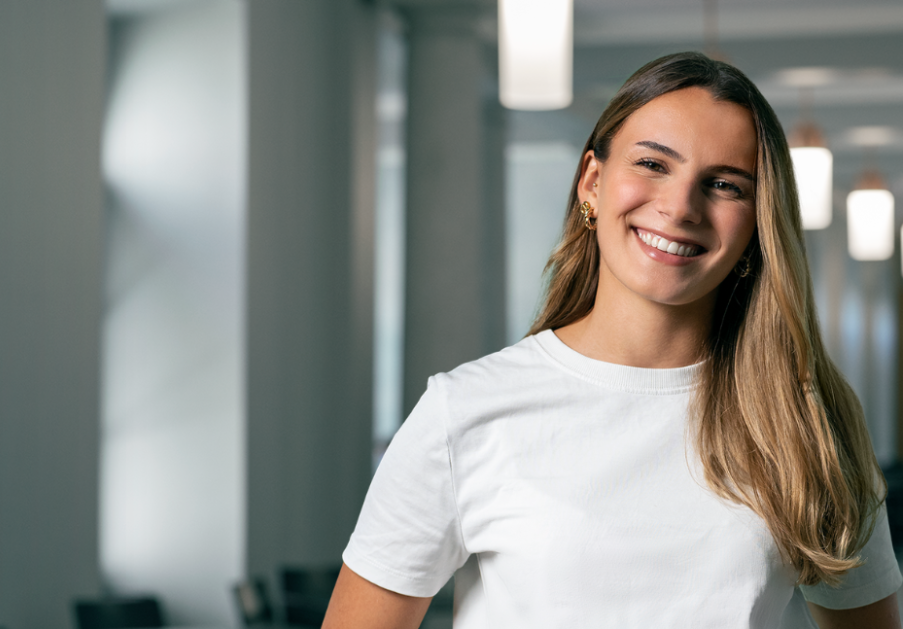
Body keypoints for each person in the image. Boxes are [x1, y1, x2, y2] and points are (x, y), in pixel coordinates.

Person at [322, 52, 903, 629]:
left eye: (725, 185)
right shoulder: (465, 410)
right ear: (593, 183)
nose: (679, 207)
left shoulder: (805, 423)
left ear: (758, 226)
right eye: (653, 164)